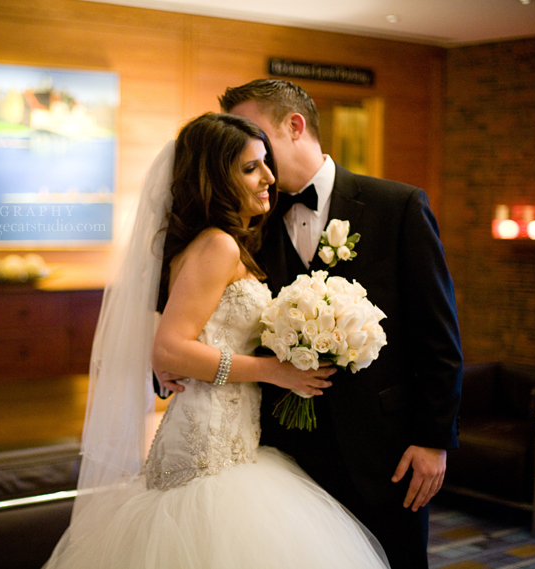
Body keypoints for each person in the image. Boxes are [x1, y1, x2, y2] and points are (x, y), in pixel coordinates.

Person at [42, 112, 390, 568]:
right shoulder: (218, 245)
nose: (269, 177)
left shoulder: (228, 241)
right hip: (205, 451)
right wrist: (274, 371)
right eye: (250, 168)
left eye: (265, 163)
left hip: (237, 444)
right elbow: (169, 348)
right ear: (214, 178)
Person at [183, 79, 460, 569]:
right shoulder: (247, 222)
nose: (253, 157)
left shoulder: (397, 207)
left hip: (385, 451)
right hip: (279, 455)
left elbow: (437, 338)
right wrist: (172, 364)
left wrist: (433, 438)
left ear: (294, 126)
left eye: (258, 137)